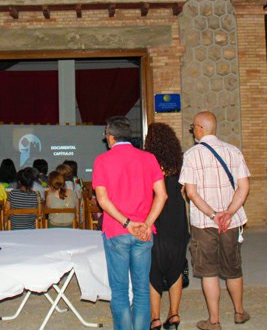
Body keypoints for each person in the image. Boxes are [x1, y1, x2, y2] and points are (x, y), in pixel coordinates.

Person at [93, 116, 167, 330]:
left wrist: (127, 223)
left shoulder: (102, 160)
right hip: (144, 233)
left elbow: (102, 200)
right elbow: (161, 195)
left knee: (120, 291)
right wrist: (145, 224)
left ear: (111, 137)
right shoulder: (149, 158)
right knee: (142, 289)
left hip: (117, 231)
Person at [180, 111, 250, 330]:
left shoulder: (192, 155)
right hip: (231, 221)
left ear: (200, 129)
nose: (193, 132)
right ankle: (239, 312)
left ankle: (214, 320)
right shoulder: (233, 151)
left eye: (193, 128)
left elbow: (190, 192)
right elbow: (244, 187)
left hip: (203, 222)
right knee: (233, 267)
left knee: (208, 271)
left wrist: (213, 214)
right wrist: (228, 213)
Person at [143, 122, 189, 330]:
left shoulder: (147, 162)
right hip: (177, 216)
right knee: (176, 265)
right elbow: (186, 189)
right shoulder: (180, 162)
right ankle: (174, 314)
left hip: (156, 212)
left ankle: (155, 318)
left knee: (154, 267)